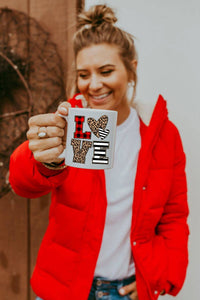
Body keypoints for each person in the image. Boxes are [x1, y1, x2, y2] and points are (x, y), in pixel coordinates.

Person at [9, 4, 189, 300]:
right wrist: (44, 157)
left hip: (124, 289)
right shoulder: (67, 124)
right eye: (84, 74)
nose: (94, 84)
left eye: (106, 71)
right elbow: (22, 183)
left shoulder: (162, 135)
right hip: (64, 289)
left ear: (131, 69)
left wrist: (160, 277)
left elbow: (174, 216)